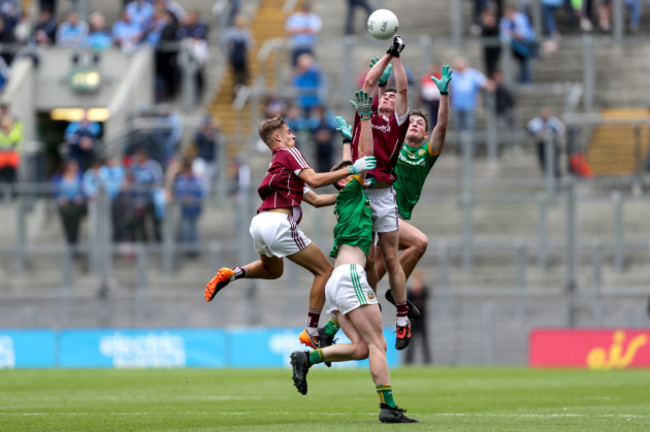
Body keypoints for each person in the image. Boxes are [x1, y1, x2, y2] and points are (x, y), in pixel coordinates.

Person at [289, 90, 419, 424]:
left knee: (361, 348)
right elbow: (365, 158)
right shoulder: (353, 189)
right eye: (351, 172)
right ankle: (388, 408)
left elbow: (338, 179)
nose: (358, 172)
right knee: (378, 344)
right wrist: (364, 117)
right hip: (349, 278)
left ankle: (308, 358)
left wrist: (346, 141)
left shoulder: (345, 196)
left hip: (338, 282)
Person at [203, 114, 376, 347]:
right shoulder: (289, 153)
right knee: (325, 272)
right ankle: (311, 330)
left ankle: (232, 273)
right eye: (288, 132)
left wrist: (351, 195)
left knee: (272, 270)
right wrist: (353, 169)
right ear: (277, 137)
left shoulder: (278, 167)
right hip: (278, 224)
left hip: (259, 224)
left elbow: (315, 200)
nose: (293, 135)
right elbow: (314, 180)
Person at [349, 36, 411, 350]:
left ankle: (402, 319)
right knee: (369, 261)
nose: (387, 98)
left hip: (384, 194)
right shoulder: (366, 113)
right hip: (362, 193)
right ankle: (373, 313)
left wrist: (398, 57)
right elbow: (371, 81)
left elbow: (402, 89)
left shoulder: (397, 122)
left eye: (389, 97)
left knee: (390, 257)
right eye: (382, 96)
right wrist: (389, 53)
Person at [499, 5, 536, 84]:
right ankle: (521, 80)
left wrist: (512, 34)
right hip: (515, 46)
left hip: (526, 44)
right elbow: (503, 33)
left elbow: (522, 34)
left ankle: (527, 82)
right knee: (520, 64)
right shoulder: (505, 20)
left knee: (526, 63)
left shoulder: (521, 18)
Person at [527, 106, 564, 179]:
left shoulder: (554, 121)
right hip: (541, 146)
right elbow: (531, 129)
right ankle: (548, 181)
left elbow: (560, 130)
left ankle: (557, 182)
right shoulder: (536, 121)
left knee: (555, 165)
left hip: (553, 145)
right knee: (544, 165)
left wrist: (549, 132)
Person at [404, 269, 431, 365]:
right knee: (411, 343)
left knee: (424, 342)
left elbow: (422, 302)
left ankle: (427, 362)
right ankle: (408, 362)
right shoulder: (410, 291)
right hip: (413, 321)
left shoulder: (424, 290)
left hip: (422, 320)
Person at [285, 0, 321, 66]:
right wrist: (305, 30)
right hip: (296, 46)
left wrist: (298, 31)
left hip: (308, 46)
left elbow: (314, 30)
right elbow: (290, 30)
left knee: (308, 66)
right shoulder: (295, 17)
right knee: (296, 66)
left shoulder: (313, 17)